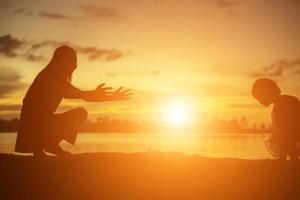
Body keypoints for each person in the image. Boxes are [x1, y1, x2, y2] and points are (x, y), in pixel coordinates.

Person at [15, 46, 133, 157]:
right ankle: (40, 146)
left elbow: (84, 95)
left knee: (79, 113)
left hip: (42, 124)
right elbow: (83, 95)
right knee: (79, 114)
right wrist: (99, 95)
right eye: (72, 61)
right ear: (62, 62)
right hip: (33, 128)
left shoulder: (55, 79)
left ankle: (49, 144)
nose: (75, 66)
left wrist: (113, 97)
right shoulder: (48, 79)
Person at [252, 78, 299, 160]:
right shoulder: (282, 102)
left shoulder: (282, 104)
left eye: (259, 97)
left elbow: (288, 133)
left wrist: (281, 159)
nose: (260, 102)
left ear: (266, 93)